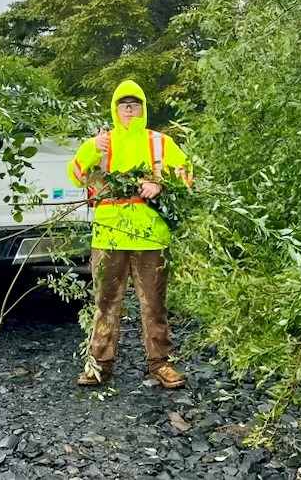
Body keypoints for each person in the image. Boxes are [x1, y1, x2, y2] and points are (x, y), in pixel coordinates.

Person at [67, 79, 192, 389]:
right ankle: (99, 366)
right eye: (123, 105)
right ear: (115, 109)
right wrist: (90, 149)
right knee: (106, 304)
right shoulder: (101, 142)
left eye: (134, 104)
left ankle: (161, 364)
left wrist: (161, 184)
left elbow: (187, 175)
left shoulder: (159, 142)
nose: (129, 109)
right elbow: (76, 176)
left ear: (143, 108)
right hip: (109, 236)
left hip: (151, 237)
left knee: (154, 304)